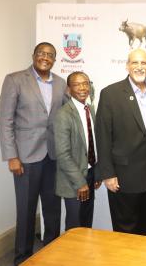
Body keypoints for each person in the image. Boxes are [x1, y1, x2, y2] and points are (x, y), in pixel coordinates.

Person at [0, 42, 68, 265]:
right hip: (26, 158)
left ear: (54, 60)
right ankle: (23, 258)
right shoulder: (15, 79)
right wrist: (12, 156)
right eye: (41, 54)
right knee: (26, 211)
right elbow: (5, 120)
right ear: (34, 56)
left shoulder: (60, 83)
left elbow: (66, 116)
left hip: (53, 157)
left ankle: (52, 255)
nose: (45, 58)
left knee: (53, 210)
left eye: (50, 55)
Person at [96, 48, 146, 236]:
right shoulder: (110, 93)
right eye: (135, 63)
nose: (139, 67)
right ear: (127, 66)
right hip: (123, 178)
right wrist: (107, 173)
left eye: (144, 63)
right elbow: (103, 136)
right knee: (125, 232)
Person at [54, 71, 101, 231]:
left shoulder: (91, 110)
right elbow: (63, 154)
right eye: (77, 84)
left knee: (86, 223)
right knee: (75, 226)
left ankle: (84, 255)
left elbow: (94, 144)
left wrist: (96, 173)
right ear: (69, 90)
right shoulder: (63, 114)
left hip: (90, 174)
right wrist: (80, 182)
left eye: (85, 83)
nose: (82, 88)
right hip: (74, 180)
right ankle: (70, 256)